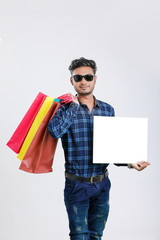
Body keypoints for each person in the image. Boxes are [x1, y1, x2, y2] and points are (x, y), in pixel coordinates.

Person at [48, 57, 150, 240]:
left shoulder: (107, 110)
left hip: (102, 185)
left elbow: (111, 148)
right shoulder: (63, 109)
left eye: (88, 77)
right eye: (78, 78)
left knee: (96, 235)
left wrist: (130, 162)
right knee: (79, 236)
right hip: (76, 185)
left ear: (95, 79)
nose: (83, 82)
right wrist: (73, 107)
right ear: (72, 81)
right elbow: (54, 132)